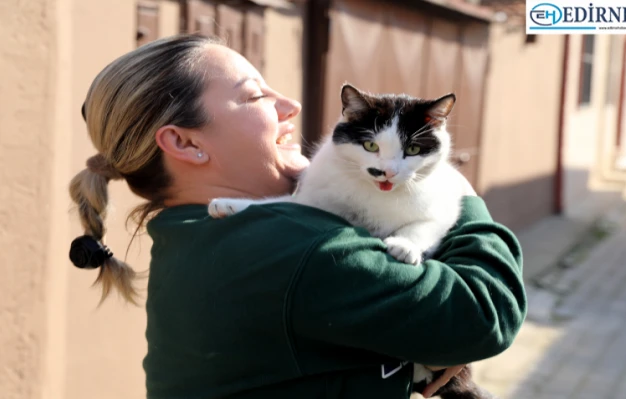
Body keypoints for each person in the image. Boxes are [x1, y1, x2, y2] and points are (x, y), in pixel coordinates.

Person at [67, 34, 526, 399]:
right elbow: (487, 314)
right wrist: (455, 192)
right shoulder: (290, 249)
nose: (290, 106)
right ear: (186, 143)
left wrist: (416, 341)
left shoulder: (196, 234)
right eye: (254, 96)